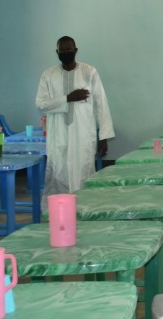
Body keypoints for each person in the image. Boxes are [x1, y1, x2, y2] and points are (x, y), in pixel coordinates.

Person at [35, 36, 114, 198]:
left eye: (69, 50)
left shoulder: (89, 72)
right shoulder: (48, 75)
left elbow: (101, 105)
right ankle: (59, 213)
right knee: (58, 174)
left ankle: (84, 211)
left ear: (75, 50)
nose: (65, 53)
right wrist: (67, 98)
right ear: (57, 52)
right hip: (59, 135)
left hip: (83, 135)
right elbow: (41, 103)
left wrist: (104, 137)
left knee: (84, 174)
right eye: (62, 50)